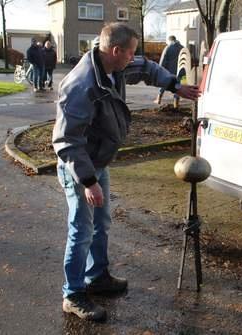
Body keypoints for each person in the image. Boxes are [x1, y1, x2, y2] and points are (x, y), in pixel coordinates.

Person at [52, 23, 200, 322]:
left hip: (98, 163)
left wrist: (175, 85)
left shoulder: (115, 66)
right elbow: (67, 141)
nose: (134, 57)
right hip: (79, 168)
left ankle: (97, 277)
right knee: (81, 231)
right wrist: (88, 181)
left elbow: (146, 68)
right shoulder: (81, 86)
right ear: (116, 50)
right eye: (130, 51)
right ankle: (73, 295)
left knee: (101, 223)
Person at [154, 35, 183, 105]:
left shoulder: (168, 48)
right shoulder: (182, 48)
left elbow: (163, 59)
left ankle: (159, 99)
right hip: (179, 71)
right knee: (177, 85)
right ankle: (176, 102)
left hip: (169, 70)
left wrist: (160, 69)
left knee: (165, 83)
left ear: (170, 40)